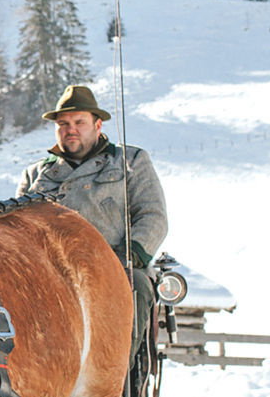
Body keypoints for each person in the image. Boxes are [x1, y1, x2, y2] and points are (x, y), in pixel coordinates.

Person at [15, 84, 167, 356]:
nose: (70, 129)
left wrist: (124, 260)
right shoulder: (36, 175)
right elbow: (17, 230)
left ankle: (122, 376)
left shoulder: (129, 162)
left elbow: (152, 215)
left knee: (138, 287)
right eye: (63, 123)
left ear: (97, 126)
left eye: (79, 122)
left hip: (116, 267)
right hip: (51, 272)